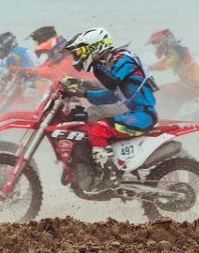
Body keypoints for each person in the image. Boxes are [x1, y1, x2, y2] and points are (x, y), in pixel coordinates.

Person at [57, 27, 158, 179]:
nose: (78, 56)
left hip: (143, 114)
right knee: (89, 124)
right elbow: (110, 96)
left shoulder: (123, 59)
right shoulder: (111, 63)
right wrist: (80, 93)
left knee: (99, 128)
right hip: (133, 113)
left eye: (81, 51)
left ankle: (109, 176)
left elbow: (111, 83)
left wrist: (84, 80)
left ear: (94, 47)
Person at [147, 28, 199, 107]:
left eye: (157, 44)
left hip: (190, 85)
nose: (157, 47)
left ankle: (158, 114)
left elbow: (166, 64)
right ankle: (167, 115)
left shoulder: (177, 50)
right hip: (189, 84)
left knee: (160, 91)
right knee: (172, 102)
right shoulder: (174, 50)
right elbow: (163, 62)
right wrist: (147, 67)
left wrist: (148, 68)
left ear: (165, 41)